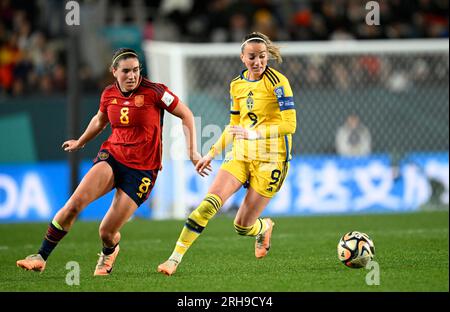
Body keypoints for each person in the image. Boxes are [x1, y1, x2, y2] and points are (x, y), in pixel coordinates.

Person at [16, 48, 208, 276]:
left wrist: (192, 151)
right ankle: (40, 256)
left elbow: (186, 114)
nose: (132, 76)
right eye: (126, 71)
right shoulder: (108, 94)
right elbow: (100, 120)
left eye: (136, 70)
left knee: (106, 231)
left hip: (142, 171)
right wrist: (81, 141)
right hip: (113, 157)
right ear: (114, 71)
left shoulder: (155, 92)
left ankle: (109, 251)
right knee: (73, 205)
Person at [157, 32, 297, 276]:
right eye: (252, 57)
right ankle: (173, 259)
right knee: (207, 206)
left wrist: (256, 134)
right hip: (241, 155)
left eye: (262, 57)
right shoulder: (237, 85)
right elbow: (234, 126)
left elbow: (290, 125)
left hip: (272, 160)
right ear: (242, 57)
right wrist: (211, 153)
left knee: (242, 227)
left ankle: (264, 227)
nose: (258, 62)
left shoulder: (278, 83)